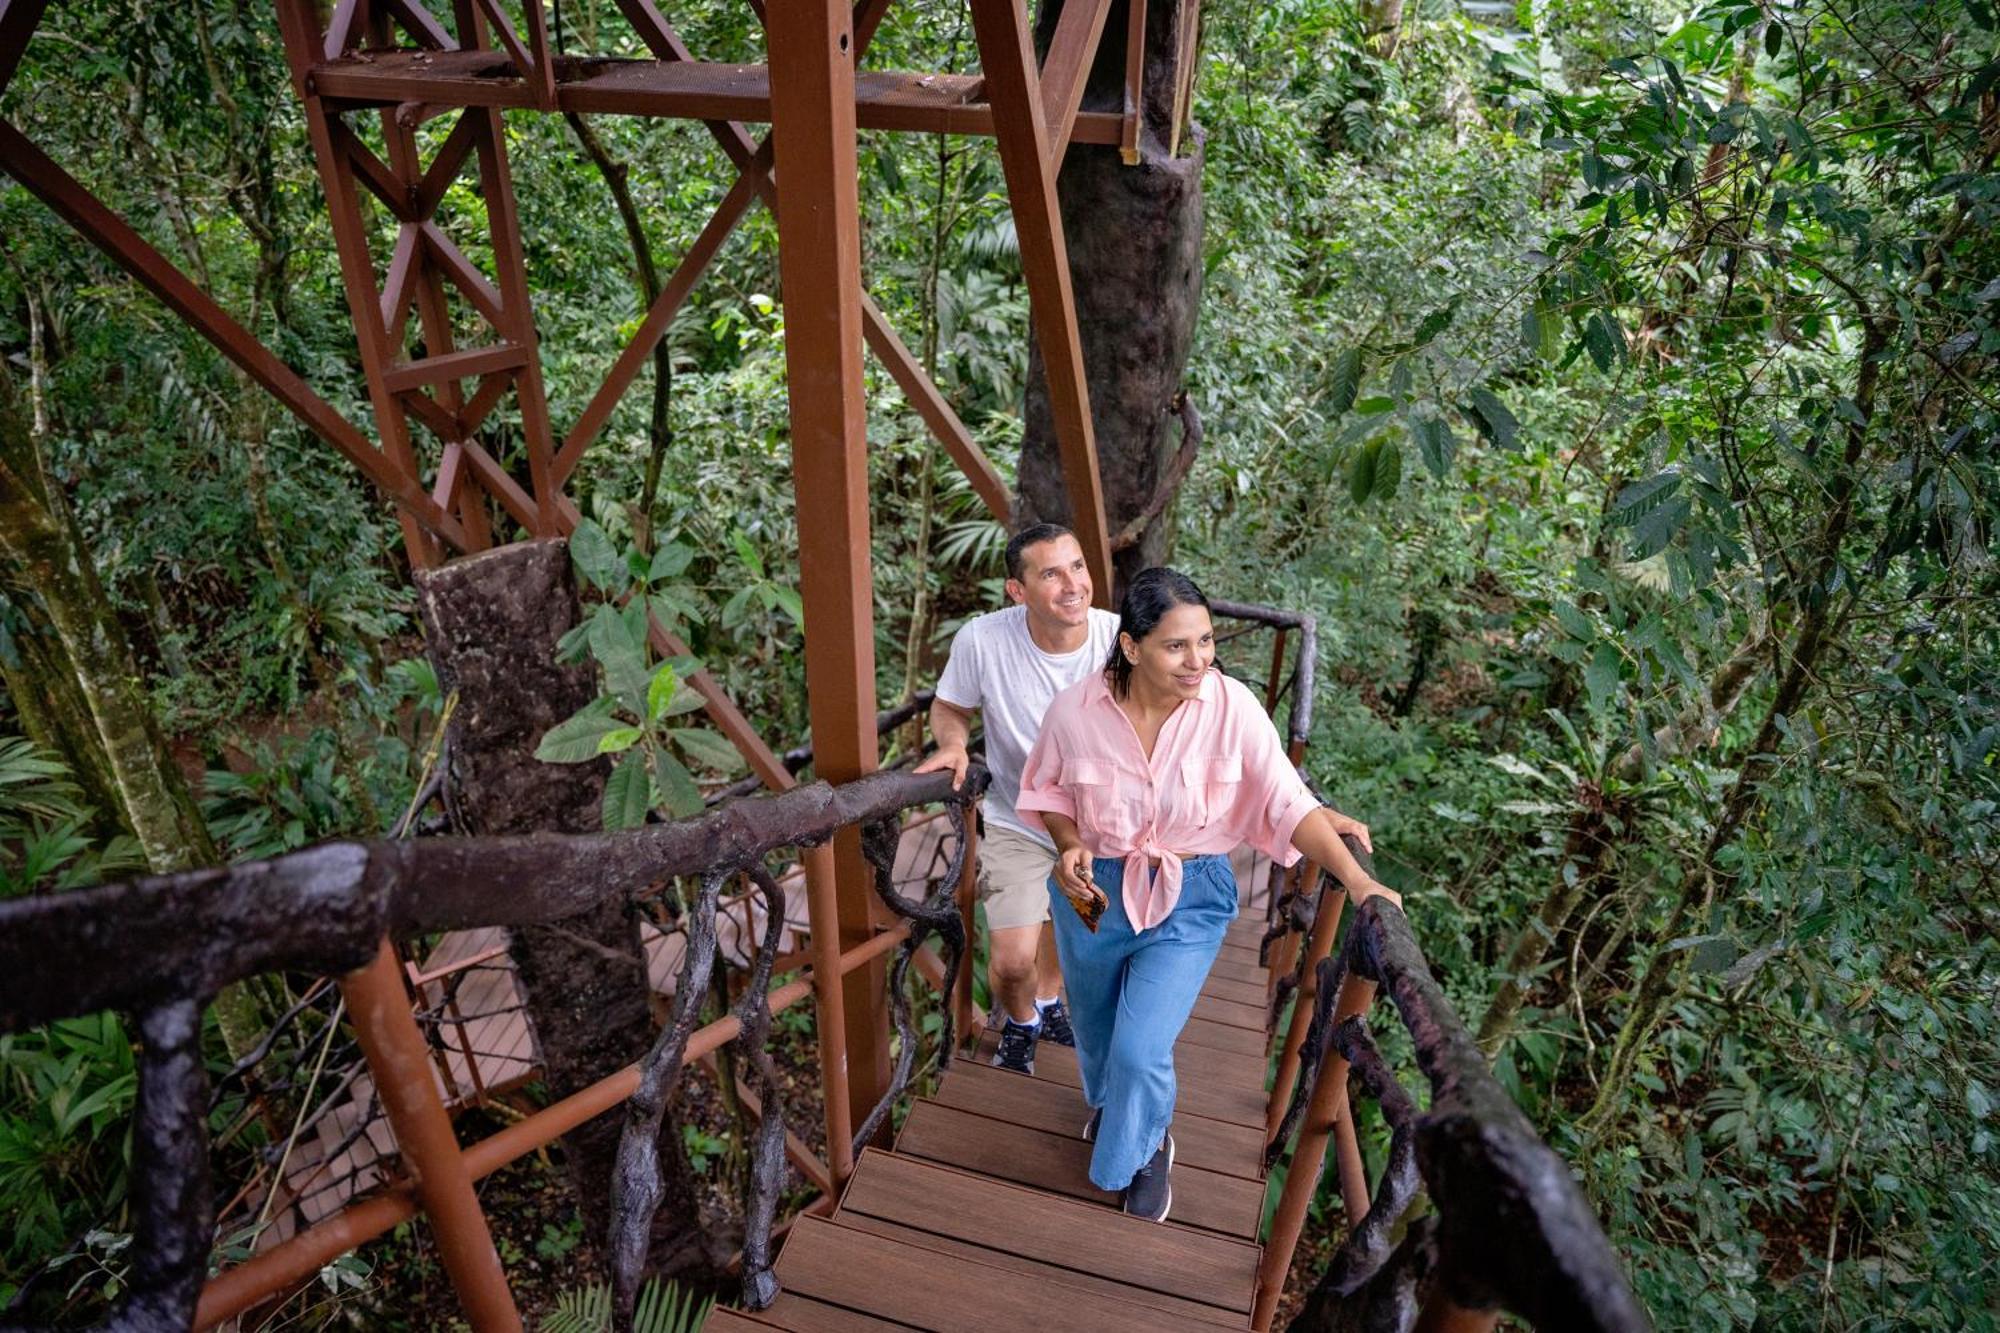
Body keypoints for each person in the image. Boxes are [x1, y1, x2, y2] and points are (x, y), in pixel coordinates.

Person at [1015, 566, 1400, 1222]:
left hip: (1189, 892)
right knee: (1100, 1033)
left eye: (1206, 641)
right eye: (1176, 645)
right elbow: (1048, 792)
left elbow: (1286, 801)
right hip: (1091, 890)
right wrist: (1069, 839)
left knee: (1142, 1047)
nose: (1198, 659)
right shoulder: (1075, 711)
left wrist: (1356, 878)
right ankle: (1119, 1110)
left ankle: (1143, 1148)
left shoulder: (1233, 709)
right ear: (1132, 647)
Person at [915, 522, 1121, 1075]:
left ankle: (1049, 1005)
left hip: (1103, 828)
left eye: (1077, 566)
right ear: (1018, 590)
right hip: (1017, 821)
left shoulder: (1120, 640)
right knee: (1010, 963)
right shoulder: (983, 639)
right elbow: (949, 706)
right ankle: (1023, 1020)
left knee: (1064, 927)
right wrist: (955, 746)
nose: (1072, 583)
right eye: (1051, 573)